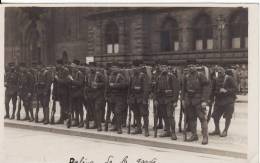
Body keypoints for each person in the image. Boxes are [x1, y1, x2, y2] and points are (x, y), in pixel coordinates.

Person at [182, 62, 211, 145]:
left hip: (199, 101)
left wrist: (204, 101)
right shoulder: (186, 76)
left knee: (202, 118)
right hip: (189, 101)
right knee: (191, 118)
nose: (191, 67)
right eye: (189, 66)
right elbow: (183, 89)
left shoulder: (200, 75)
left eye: (193, 66)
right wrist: (183, 99)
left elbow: (206, 88)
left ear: (196, 66)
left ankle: (205, 137)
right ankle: (194, 135)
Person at [154, 62, 180, 140]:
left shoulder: (172, 76)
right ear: (160, 68)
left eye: (165, 67)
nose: (163, 68)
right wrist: (155, 99)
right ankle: (167, 131)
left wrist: (175, 101)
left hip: (169, 100)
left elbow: (176, 90)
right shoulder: (158, 77)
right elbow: (155, 90)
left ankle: (173, 133)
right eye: (162, 67)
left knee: (170, 116)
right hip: (161, 100)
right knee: (164, 116)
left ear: (168, 67)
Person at [209, 66, 238, 137]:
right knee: (215, 116)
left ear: (224, 72)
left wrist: (226, 90)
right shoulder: (215, 80)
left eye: (220, 72)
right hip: (219, 100)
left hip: (228, 101)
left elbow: (235, 89)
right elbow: (212, 91)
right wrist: (210, 99)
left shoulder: (229, 78)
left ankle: (225, 130)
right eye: (218, 72)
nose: (219, 73)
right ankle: (217, 130)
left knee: (228, 116)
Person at [128, 60, 150, 137]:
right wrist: (130, 98)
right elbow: (130, 88)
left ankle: (146, 130)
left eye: (134, 67)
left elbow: (146, 89)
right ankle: (138, 128)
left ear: (138, 67)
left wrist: (144, 99)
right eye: (133, 67)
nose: (133, 69)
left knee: (144, 114)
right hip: (134, 99)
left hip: (141, 98)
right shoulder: (132, 75)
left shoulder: (143, 75)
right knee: (136, 114)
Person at [108, 63, 128, 134]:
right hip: (112, 97)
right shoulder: (111, 75)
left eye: (114, 67)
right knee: (114, 112)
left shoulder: (121, 75)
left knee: (118, 111)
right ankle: (116, 126)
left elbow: (125, 85)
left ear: (118, 68)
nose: (113, 69)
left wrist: (114, 85)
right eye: (112, 67)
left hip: (120, 96)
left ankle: (119, 128)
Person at [69, 59, 85, 128]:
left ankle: (81, 121)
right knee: (75, 108)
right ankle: (76, 120)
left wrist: (72, 80)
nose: (72, 68)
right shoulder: (73, 73)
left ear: (77, 67)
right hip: (73, 93)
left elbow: (80, 83)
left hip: (79, 93)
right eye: (72, 67)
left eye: (73, 67)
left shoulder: (80, 73)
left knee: (80, 108)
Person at [53, 59, 70, 125]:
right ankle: (63, 118)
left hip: (65, 91)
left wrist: (58, 79)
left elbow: (66, 81)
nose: (56, 65)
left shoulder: (66, 70)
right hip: (60, 91)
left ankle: (67, 118)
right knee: (62, 105)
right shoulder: (58, 71)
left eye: (57, 64)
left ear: (60, 64)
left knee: (65, 106)